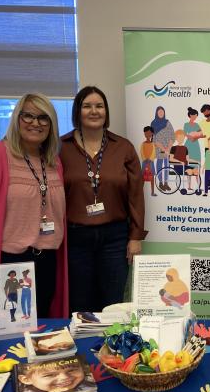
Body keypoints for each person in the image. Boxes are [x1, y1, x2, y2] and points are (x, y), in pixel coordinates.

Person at [0, 93, 68, 318]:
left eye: (43, 118)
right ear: (17, 119)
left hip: (47, 259)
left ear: (51, 124)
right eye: (28, 116)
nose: (35, 123)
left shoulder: (53, 161)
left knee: (42, 325)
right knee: (8, 327)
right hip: (7, 262)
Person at [60, 86, 146, 313]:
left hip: (115, 238)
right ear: (77, 111)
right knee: (80, 303)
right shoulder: (60, 148)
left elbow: (136, 194)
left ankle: (111, 348)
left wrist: (136, 236)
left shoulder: (123, 147)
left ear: (106, 112)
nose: (94, 111)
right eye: (87, 106)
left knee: (113, 303)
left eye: (99, 106)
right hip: (75, 238)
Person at [17, 357, 94, 392]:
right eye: (49, 375)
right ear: (26, 380)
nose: (65, 377)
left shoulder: (88, 386)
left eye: (71, 370)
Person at [152, 106, 175, 192]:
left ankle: (166, 183)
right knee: (159, 165)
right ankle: (161, 182)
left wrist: (168, 148)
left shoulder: (167, 122)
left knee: (166, 166)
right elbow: (154, 139)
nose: (161, 113)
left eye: (162, 112)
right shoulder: (153, 124)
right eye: (159, 112)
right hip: (159, 149)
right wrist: (163, 148)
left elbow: (172, 135)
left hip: (168, 148)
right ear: (156, 113)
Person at [140, 126, 157, 196]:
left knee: (152, 177)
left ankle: (152, 192)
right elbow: (141, 152)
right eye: (145, 133)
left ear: (152, 134)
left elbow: (154, 153)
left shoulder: (153, 144)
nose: (147, 134)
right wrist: (145, 159)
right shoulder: (143, 144)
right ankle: (140, 192)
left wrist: (150, 159)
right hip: (144, 163)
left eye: (149, 133)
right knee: (143, 177)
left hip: (151, 162)